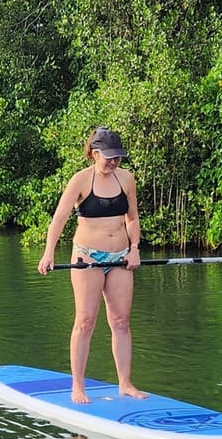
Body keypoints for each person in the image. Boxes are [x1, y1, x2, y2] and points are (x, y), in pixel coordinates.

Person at [37, 127, 147, 403]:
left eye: (118, 158)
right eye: (109, 157)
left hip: (120, 257)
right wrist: (49, 252)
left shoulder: (127, 179)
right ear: (94, 153)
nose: (114, 162)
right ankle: (78, 386)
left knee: (121, 321)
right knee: (85, 322)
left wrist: (134, 249)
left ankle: (125, 383)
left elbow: (132, 218)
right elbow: (59, 218)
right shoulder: (80, 181)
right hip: (87, 257)